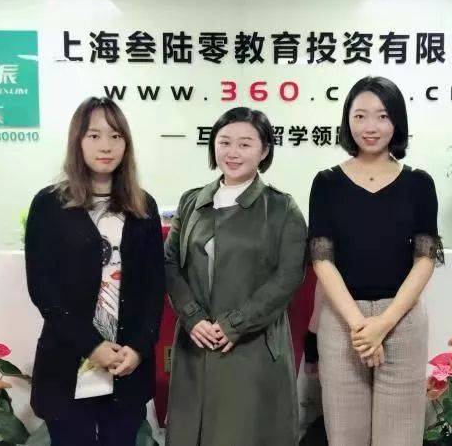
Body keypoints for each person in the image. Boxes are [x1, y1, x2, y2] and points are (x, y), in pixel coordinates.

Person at [308, 76, 444, 446]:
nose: (371, 126)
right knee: (345, 435)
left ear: (397, 121)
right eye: (360, 116)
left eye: (382, 116)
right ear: (347, 121)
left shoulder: (419, 183)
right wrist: (360, 325)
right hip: (342, 321)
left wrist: (383, 323)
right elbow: (321, 259)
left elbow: (426, 258)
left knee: (400, 436)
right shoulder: (326, 183)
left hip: (402, 320)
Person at [24, 96, 165, 445]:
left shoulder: (143, 206)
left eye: (116, 136)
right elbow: (43, 288)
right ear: (78, 140)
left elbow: (153, 287)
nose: (106, 146)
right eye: (95, 135)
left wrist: (138, 348)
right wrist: (92, 345)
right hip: (69, 362)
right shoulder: (49, 204)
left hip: (126, 365)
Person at [164, 107, 307, 446]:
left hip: (252, 347)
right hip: (196, 342)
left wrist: (235, 323)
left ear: (264, 150)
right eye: (224, 142)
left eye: (245, 144)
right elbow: (169, 263)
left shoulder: (282, 208)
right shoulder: (192, 202)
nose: (232, 152)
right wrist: (193, 317)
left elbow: (288, 277)